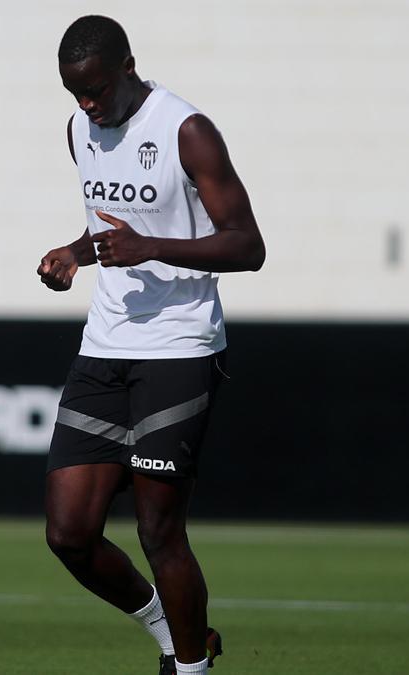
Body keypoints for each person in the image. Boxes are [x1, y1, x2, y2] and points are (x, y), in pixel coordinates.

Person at [37, 15, 264, 675]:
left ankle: (190, 669)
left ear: (129, 66)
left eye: (97, 91)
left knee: (159, 530)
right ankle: (174, 630)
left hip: (179, 348)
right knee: (69, 533)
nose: (87, 106)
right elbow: (113, 228)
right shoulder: (82, 130)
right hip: (106, 346)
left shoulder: (186, 130)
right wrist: (75, 253)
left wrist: (152, 248)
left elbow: (248, 245)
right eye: (75, 93)